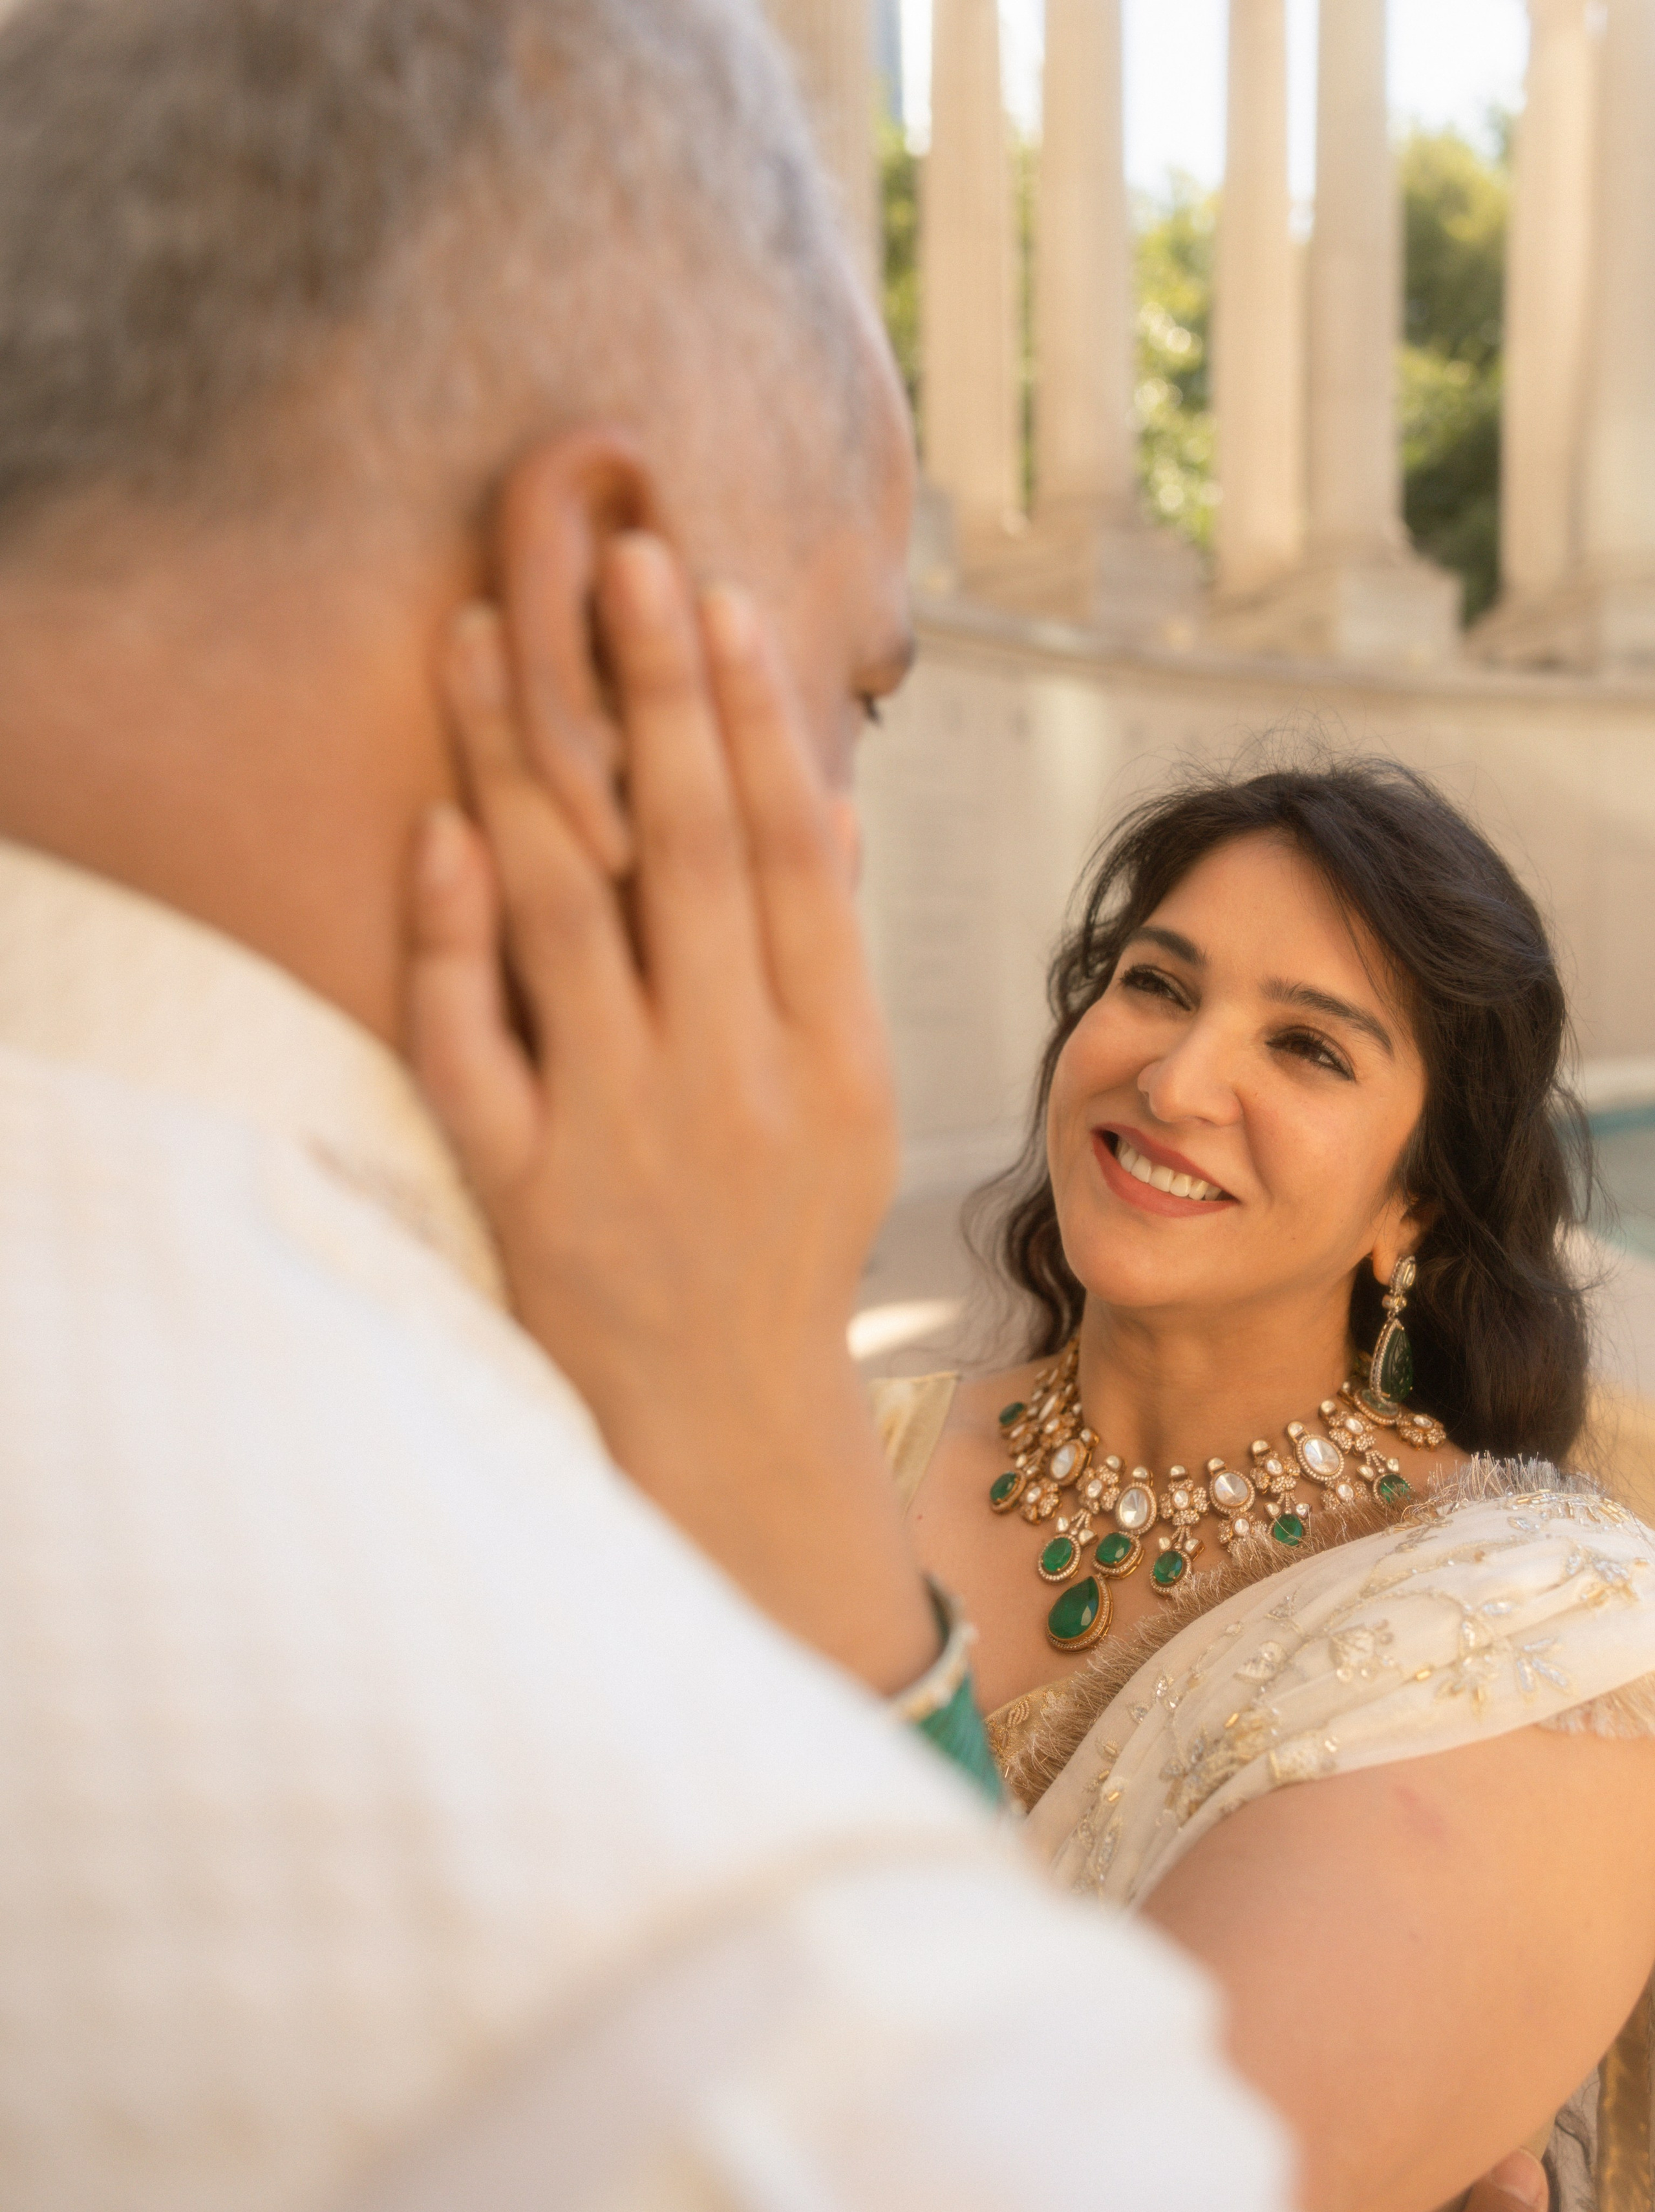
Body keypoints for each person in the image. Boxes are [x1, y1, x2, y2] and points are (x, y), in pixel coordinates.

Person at [0, 0, 1292, 2205]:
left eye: (1308, 1039)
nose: (843, 833)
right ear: (610, 620)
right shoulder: (788, 2009)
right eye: (853, 693)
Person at [415, 663, 1655, 2211]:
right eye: (1155, 981)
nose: (1178, 1074)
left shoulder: (1530, 1626)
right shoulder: (842, 1441)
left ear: (1414, 1201)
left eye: (1309, 1048)